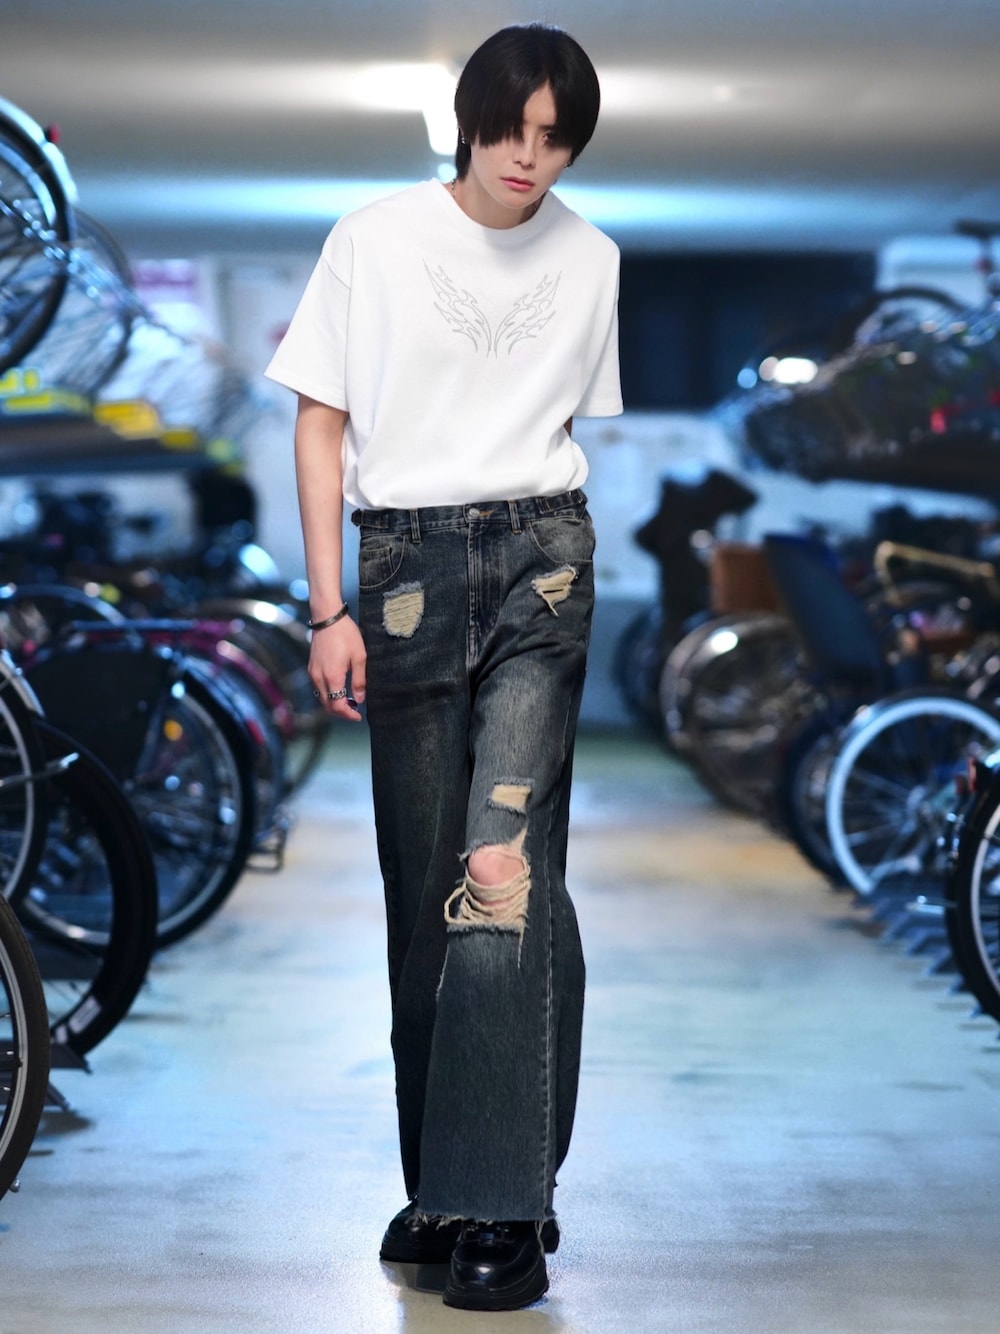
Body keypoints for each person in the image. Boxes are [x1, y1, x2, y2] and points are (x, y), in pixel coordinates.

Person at [265, 22, 622, 1312]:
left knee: (498, 873)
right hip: (403, 571)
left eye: (555, 138)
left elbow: (556, 419)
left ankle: (507, 1205)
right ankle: (447, 1184)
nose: (530, 159)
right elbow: (320, 423)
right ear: (468, 124)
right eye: (510, 131)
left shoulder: (592, 257)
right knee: (425, 892)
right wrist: (327, 609)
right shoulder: (372, 240)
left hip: (542, 564)